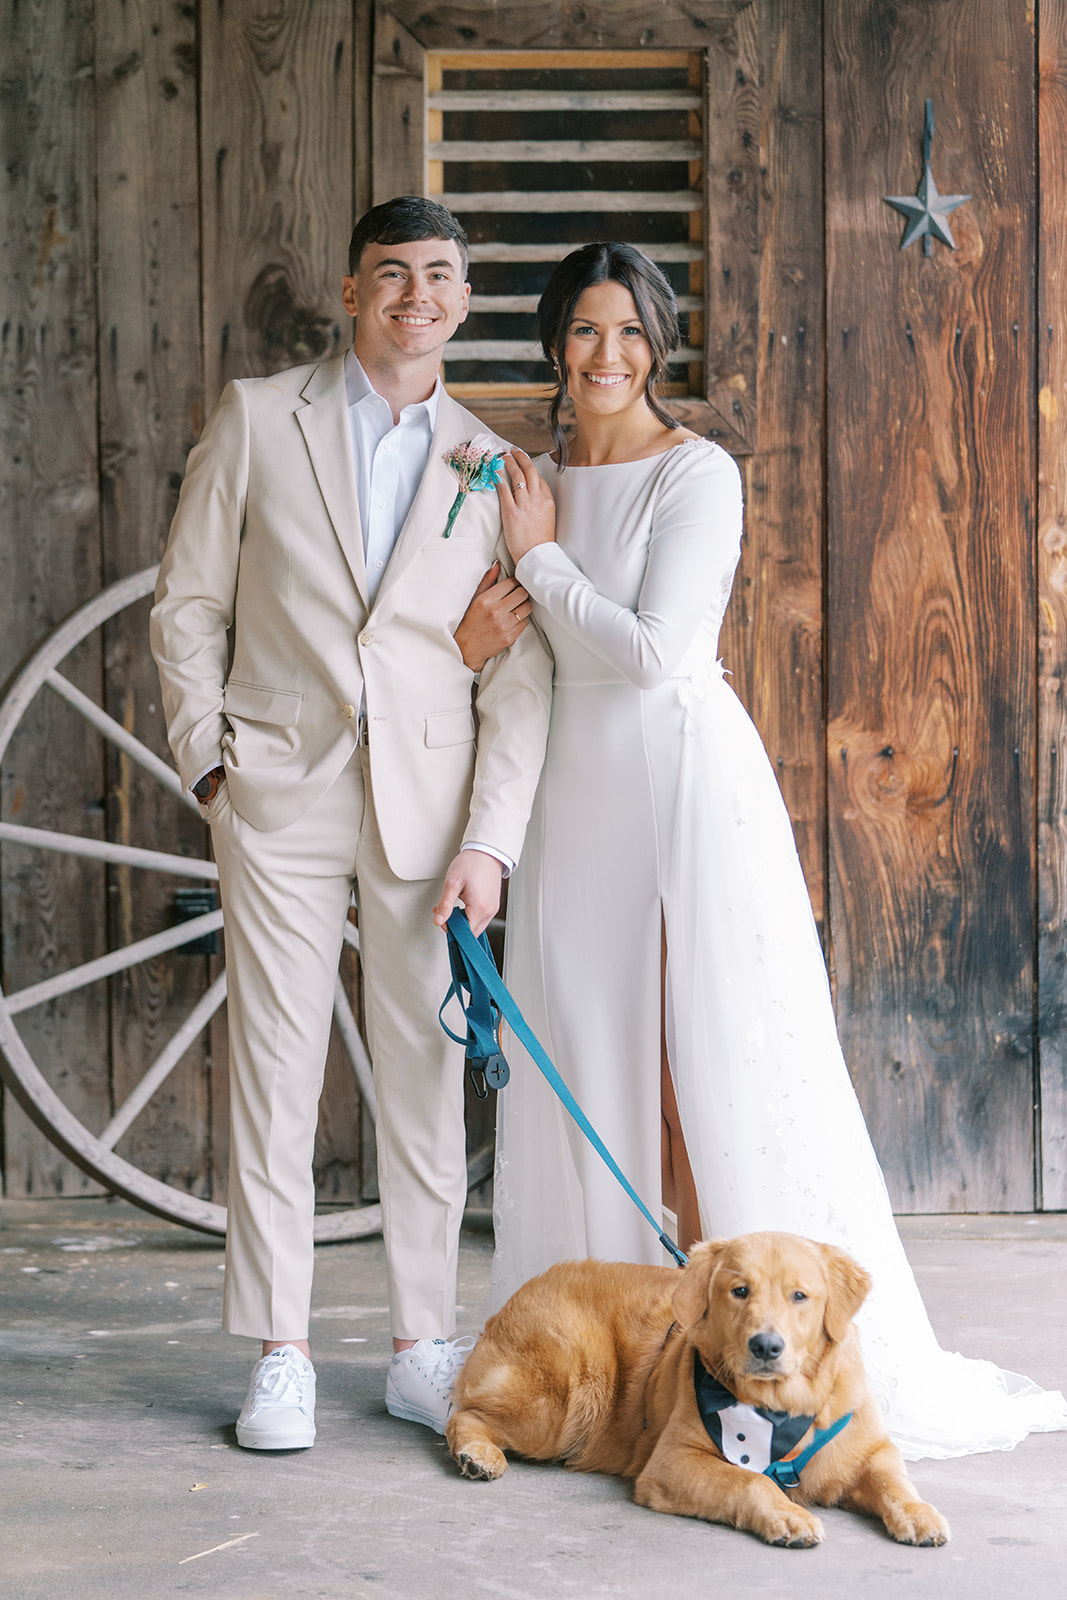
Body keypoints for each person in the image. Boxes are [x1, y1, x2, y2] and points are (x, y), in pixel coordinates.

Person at [484, 240, 1067, 1459]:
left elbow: (652, 653)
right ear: (553, 342)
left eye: (631, 333)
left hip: (675, 784)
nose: (608, 357)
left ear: (658, 344)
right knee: (587, 1052)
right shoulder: (526, 477)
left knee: (695, 1070)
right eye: (585, 332)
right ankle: (607, 1350)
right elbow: (532, 662)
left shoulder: (696, 476)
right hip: (566, 797)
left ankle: (748, 1357)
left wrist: (537, 562)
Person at [150, 196, 552, 1450]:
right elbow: (186, 602)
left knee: (426, 1082)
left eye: (438, 277)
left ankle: (420, 1345)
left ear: (464, 300)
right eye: (391, 275)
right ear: (349, 288)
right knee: (272, 1072)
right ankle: (280, 1349)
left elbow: (515, 675)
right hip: (274, 791)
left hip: (426, 809)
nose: (414, 297)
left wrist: (486, 839)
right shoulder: (260, 415)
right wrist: (208, 766)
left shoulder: (493, 465)